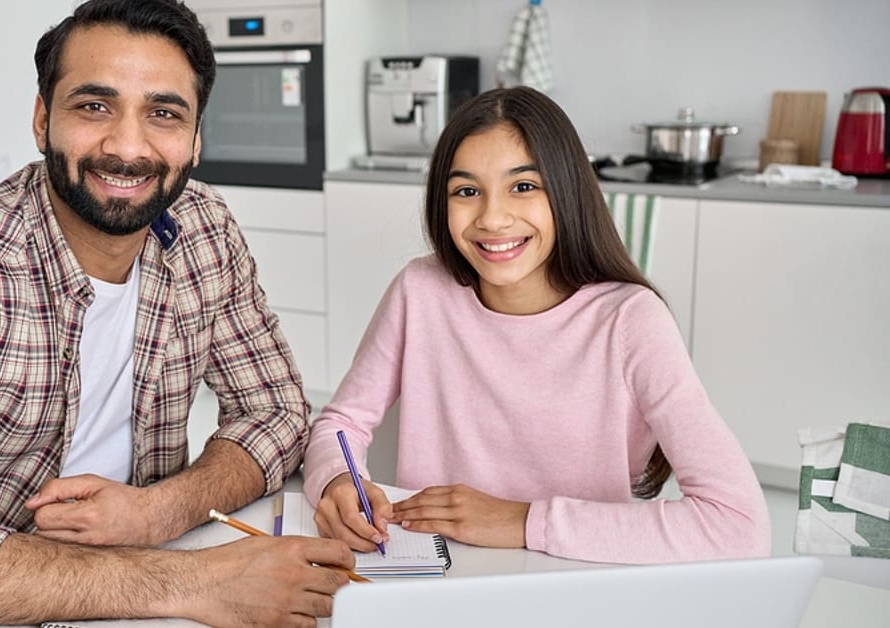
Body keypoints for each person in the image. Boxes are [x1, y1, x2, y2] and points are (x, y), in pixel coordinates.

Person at [0, 1, 354, 626]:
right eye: (93, 106)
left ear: (195, 139)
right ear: (42, 118)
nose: (127, 147)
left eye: (163, 114)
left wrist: (158, 512)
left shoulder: (203, 230)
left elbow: (278, 412)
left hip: (116, 595)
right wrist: (196, 581)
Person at [303, 87, 772, 565]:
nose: (493, 217)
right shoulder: (420, 290)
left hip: (574, 580)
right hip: (438, 575)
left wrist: (522, 520)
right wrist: (337, 480)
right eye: (467, 191)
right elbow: (340, 423)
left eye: (523, 186)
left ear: (567, 192)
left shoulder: (630, 319)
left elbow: (738, 524)